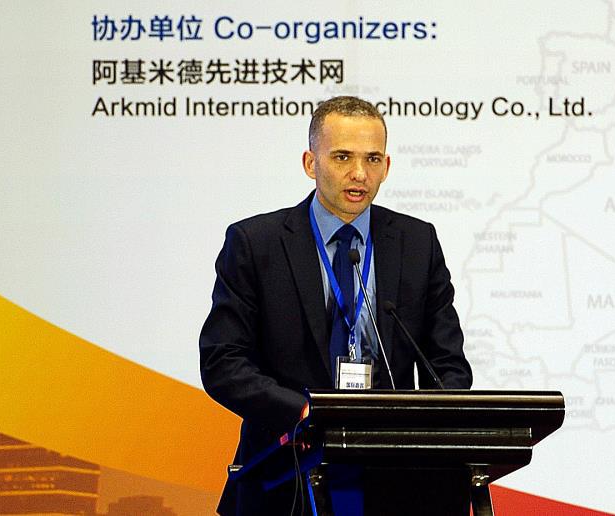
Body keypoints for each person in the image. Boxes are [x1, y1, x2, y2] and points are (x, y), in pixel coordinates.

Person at [199, 96, 472, 515]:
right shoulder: (256, 243)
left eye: (372, 159)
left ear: (386, 166)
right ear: (311, 163)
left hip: (398, 481)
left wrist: (422, 425)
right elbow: (223, 363)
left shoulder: (418, 243)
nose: (359, 173)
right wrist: (305, 412)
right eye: (342, 157)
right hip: (285, 473)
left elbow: (448, 367)